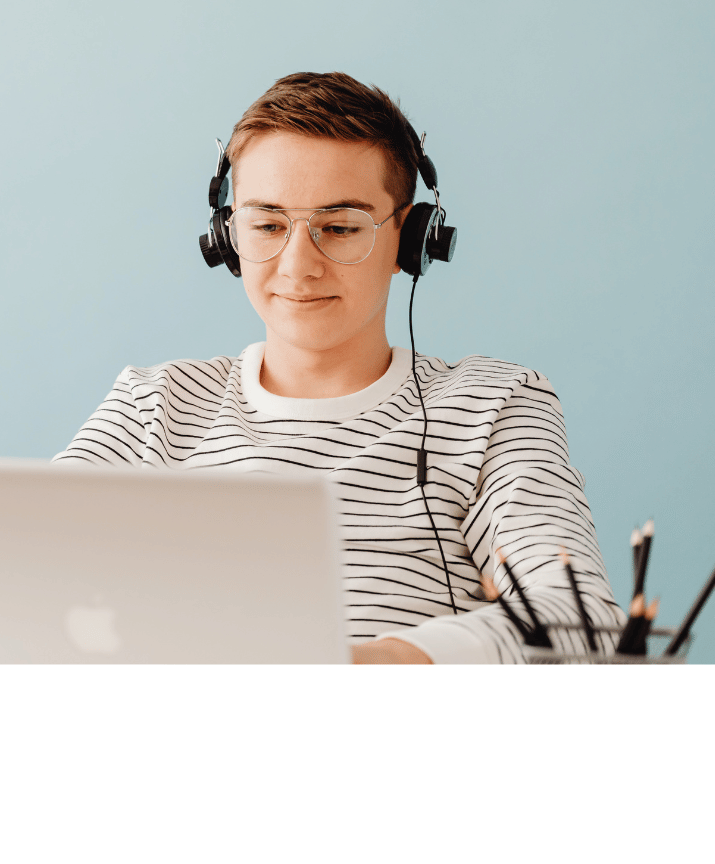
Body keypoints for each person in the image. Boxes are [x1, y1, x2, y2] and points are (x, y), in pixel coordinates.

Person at [54, 71, 624, 663]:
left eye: (340, 228)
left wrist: (368, 666)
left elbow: (581, 622)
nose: (298, 266)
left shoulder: (494, 404)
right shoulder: (154, 403)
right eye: (267, 225)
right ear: (227, 236)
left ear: (411, 239)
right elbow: (22, 569)